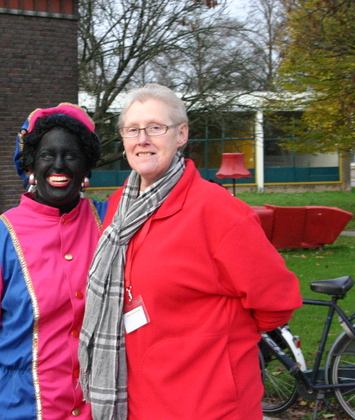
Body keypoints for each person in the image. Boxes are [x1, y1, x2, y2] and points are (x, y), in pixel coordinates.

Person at [78, 84, 303, 420]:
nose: (143, 139)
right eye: (132, 129)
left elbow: (276, 302)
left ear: (181, 134)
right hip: (137, 402)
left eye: (156, 128)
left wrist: (219, 342)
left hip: (208, 405)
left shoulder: (219, 212)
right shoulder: (116, 210)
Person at [0, 103, 107, 420]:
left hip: (96, 409)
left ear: (86, 166)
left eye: (71, 155)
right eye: (48, 155)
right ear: (31, 165)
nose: (59, 165)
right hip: (15, 408)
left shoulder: (109, 224)